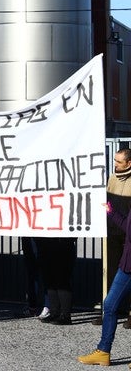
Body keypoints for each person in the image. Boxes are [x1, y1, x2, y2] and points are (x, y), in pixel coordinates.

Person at [78, 199, 131, 366]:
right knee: (109, 305)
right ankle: (103, 351)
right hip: (127, 265)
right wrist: (111, 212)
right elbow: (127, 227)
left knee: (110, 305)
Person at [92, 148, 131, 327]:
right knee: (110, 274)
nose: (115, 164)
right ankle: (109, 311)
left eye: (118, 162)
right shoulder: (112, 178)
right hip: (113, 233)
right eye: (114, 161)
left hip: (128, 235)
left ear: (128, 163)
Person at [36, 237, 76, 325]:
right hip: (46, 244)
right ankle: (54, 313)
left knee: (62, 280)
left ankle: (65, 315)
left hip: (63, 244)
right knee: (49, 280)